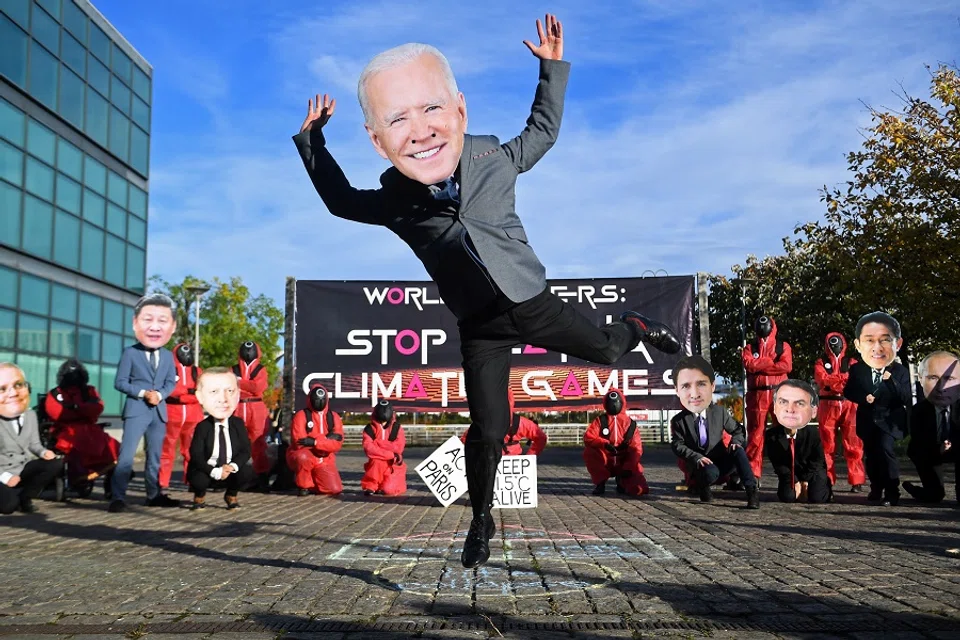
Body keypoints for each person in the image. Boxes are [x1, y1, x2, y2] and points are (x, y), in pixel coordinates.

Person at [293, 12, 681, 569]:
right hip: (481, 327)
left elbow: (542, 131)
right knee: (489, 430)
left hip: (532, 303)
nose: (421, 129)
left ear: (460, 111)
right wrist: (312, 141)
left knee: (606, 350)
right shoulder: (395, 201)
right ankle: (480, 520)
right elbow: (339, 199)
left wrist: (551, 69)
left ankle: (637, 326)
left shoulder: (493, 158)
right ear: (379, 143)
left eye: (431, 109)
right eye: (399, 119)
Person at [110, 294, 179, 513]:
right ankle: (118, 497)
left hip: (159, 412)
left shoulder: (168, 356)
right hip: (136, 411)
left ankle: (153, 494)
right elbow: (120, 382)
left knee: (155, 457)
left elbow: (171, 382)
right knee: (126, 457)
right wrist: (142, 393)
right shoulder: (130, 353)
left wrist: (160, 394)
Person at [670, 355, 760, 508]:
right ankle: (703, 486)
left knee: (739, 451)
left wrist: (735, 443)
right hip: (701, 464)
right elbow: (677, 445)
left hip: (721, 458)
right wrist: (696, 457)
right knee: (709, 473)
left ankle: (752, 492)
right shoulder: (679, 420)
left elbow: (738, 430)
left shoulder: (719, 412)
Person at [843, 311, 911, 506]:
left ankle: (892, 491)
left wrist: (893, 384)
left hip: (889, 421)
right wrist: (863, 397)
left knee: (885, 449)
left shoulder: (900, 371)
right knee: (872, 454)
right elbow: (849, 391)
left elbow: (906, 397)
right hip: (868, 419)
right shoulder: (858, 369)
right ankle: (876, 487)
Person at [44, 359, 119, 498]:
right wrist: (81, 410)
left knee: (113, 446)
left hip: (90, 429)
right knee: (78, 441)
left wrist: (77, 408)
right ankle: (80, 476)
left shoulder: (89, 391)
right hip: (65, 430)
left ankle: (111, 484)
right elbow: (57, 412)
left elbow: (97, 407)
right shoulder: (56, 393)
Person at [0, 363, 64, 514]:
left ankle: (25, 497)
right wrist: (5, 476)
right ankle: (11, 496)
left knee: (55, 463)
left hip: (23, 467)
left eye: (19, 386)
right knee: (8, 507)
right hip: (2, 470)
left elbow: (34, 444)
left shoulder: (30, 415)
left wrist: (43, 452)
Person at [188, 368, 254, 510]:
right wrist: (214, 471)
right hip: (208, 469)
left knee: (246, 471)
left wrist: (232, 467)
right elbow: (196, 455)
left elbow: (245, 450)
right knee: (198, 477)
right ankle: (199, 497)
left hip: (229, 468)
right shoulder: (203, 426)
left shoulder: (237, 424)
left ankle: (231, 495)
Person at [742, 315, 793, 481]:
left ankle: (787, 472)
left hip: (779, 394)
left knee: (783, 433)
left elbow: (786, 366)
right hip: (757, 394)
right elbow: (748, 364)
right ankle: (753, 474)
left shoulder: (782, 346)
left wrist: (761, 366)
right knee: (755, 435)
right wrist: (770, 362)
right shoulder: (750, 347)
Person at [904, 351, 959, 505]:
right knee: (934, 496)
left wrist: (952, 445)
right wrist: (939, 449)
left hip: (957, 448)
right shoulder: (919, 411)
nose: (941, 387)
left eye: (949, 379)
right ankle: (919, 489)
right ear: (921, 381)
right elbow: (920, 442)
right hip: (929, 451)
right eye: (933, 378)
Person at [813, 332, 865, 492]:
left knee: (854, 443)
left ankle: (857, 480)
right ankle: (827, 479)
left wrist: (833, 381)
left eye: (837, 343)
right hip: (828, 405)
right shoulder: (821, 362)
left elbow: (855, 379)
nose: (835, 346)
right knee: (827, 445)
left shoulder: (852, 362)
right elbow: (822, 380)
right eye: (831, 343)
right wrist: (842, 380)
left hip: (850, 404)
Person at [766, 380, 831, 504]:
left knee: (816, 498)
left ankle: (827, 488)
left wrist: (805, 481)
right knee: (788, 498)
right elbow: (778, 464)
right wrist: (794, 480)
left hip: (812, 471)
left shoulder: (812, 433)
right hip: (790, 473)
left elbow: (818, 460)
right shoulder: (772, 436)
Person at [583, 389, 648, 496]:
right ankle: (600, 482)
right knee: (589, 452)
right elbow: (588, 438)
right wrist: (604, 444)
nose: (613, 405)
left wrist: (629, 466)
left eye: (616, 402)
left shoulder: (630, 424)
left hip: (623, 462)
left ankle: (622, 480)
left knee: (639, 489)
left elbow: (636, 449)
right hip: (605, 459)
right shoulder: (600, 420)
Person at [159, 343, 203, 490]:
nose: (186, 355)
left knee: (192, 450)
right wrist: (189, 393)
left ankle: (191, 480)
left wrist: (183, 395)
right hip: (172, 414)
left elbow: (202, 392)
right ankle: (162, 482)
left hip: (193, 416)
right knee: (166, 450)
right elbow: (169, 390)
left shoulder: (197, 371)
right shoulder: (167, 369)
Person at [286, 384, 343, 496]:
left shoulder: (333, 417)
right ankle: (304, 485)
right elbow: (299, 442)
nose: (318, 402)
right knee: (302, 457)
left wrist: (315, 442)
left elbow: (337, 444)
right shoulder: (301, 416)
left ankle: (314, 481)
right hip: (306, 455)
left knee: (334, 489)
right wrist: (327, 438)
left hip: (325, 459)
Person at [460, 390, 548, 457]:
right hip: (512, 464)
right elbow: (541, 437)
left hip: (492, 462)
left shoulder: (483, 422)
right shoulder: (521, 422)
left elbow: (464, 440)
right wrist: (530, 456)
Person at [233, 341, 271, 491]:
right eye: (245, 350)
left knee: (259, 443)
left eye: (251, 350)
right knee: (235, 443)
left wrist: (240, 382)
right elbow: (229, 385)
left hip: (256, 408)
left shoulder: (261, 369)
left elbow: (257, 388)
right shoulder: (233, 369)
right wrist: (248, 385)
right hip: (237, 406)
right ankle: (235, 478)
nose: (248, 352)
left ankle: (262, 479)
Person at [361, 400, 407, 496]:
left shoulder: (397, 428)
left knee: (388, 490)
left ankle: (383, 486)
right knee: (376, 461)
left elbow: (398, 448)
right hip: (380, 463)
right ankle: (371, 486)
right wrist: (390, 454)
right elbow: (369, 449)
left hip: (393, 465)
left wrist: (378, 443)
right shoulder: (370, 429)